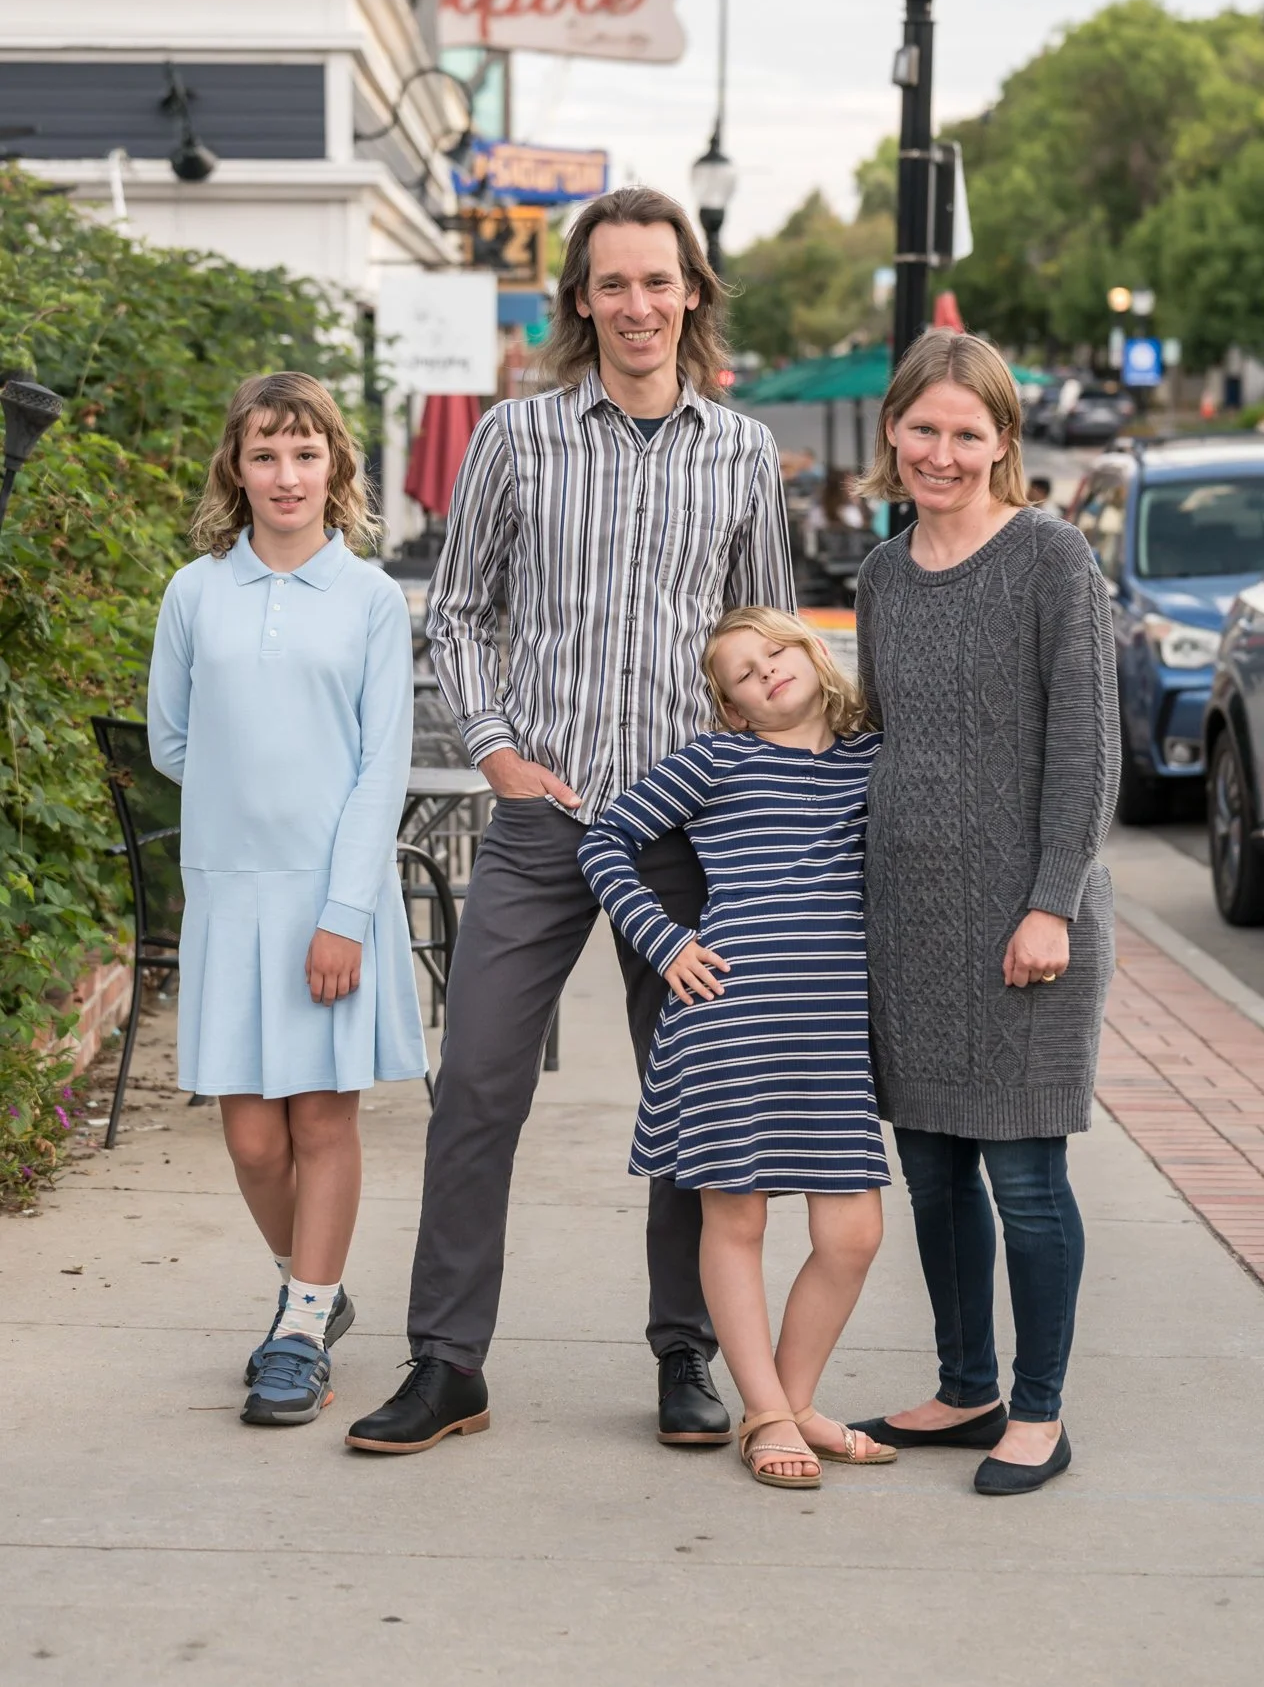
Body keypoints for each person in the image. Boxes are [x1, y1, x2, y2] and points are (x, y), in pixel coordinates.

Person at [346, 188, 795, 1458]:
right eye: (613, 285)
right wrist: (492, 747)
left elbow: (763, 647)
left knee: (691, 1095)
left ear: (692, 293)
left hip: (685, 829)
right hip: (547, 817)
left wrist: (757, 789)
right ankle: (448, 1363)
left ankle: (683, 1355)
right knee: (477, 1083)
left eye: (659, 282)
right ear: (580, 302)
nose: (638, 306)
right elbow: (459, 611)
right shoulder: (517, 438)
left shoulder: (742, 453)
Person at [850, 330, 1119, 1495]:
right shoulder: (879, 574)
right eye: (924, 428)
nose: (942, 452)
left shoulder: (1051, 560)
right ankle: (966, 1387)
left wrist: (1049, 902)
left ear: (1003, 442)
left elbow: (1085, 747)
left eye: (967, 433)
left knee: (1022, 1178)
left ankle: (1040, 1411)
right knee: (933, 1175)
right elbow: (880, 746)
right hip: (904, 922)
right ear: (893, 433)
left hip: (1024, 924)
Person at [148, 372, 426, 1427]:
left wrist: (343, 912)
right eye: (265, 453)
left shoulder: (367, 601)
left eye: (305, 453)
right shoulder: (193, 593)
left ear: (336, 468)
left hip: (329, 897)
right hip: (229, 894)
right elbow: (172, 737)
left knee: (320, 1120)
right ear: (236, 467)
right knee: (252, 1138)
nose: (286, 474)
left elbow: (379, 765)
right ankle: (315, 1286)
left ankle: (299, 1330)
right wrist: (243, 811)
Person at [577, 608, 893, 1490]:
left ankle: (787, 1404)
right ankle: (767, 1413)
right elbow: (606, 843)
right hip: (731, 1019)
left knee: (853, 1232)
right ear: (733, 708)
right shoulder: (717, 762)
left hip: (832, 1034)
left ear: (814, 654)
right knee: (738, 1218)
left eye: (777, 651)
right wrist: (666, 942)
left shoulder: (874, 761)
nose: (767, 674)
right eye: (743, 674)